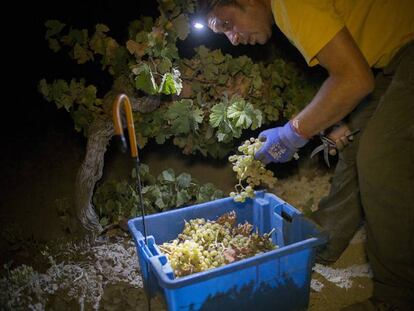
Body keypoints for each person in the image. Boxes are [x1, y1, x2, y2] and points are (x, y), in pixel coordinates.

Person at [196, 0, 414, 310]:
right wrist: (330, 120)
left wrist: (292, 133)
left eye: (227, 24)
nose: (231, 39)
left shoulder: (287, 3)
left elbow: (354, 79)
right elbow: (356, 75)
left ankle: (398, 297)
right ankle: (320, 241)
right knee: (357, 144)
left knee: (381, 157)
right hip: (393, 61)